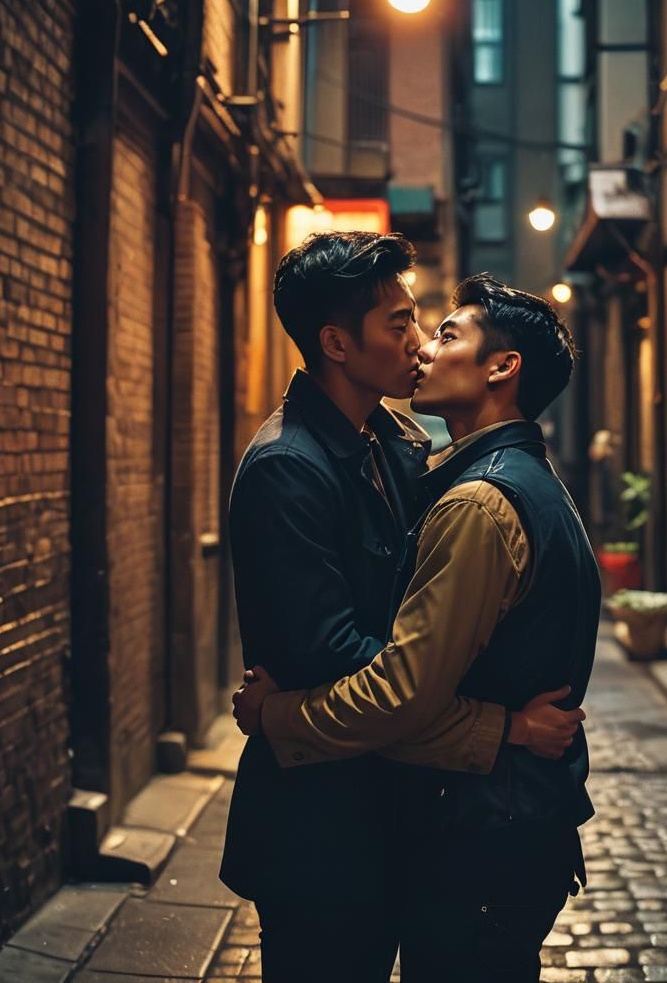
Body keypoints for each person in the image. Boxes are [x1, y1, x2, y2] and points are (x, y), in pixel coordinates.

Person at [221, 236, 586, 983]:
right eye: (400, 325)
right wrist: (504, 726)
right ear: (337, 344)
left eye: (429, 325)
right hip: (319, 831)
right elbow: (352, 661)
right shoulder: (288, 467)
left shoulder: (399, 444)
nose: (418, 344)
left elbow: (415, 656)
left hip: (406, 817)